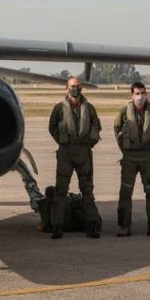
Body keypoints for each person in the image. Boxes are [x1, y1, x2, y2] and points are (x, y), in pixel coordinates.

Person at [48, 76, 102, 238]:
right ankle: (57, 226)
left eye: (78, 86)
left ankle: (91, 225)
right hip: (65, 152)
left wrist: (90, 143)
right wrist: (62, 142)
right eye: (72, 86)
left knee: (87, 191)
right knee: (61, 191)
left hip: (84, 151)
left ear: (81, 89)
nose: (75, 89)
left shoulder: (90, 108)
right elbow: (52, 127)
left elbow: (96, 126)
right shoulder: (59, 108)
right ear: (67, 88)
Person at [113, 81, 150, 237]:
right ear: (132, 95)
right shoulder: (123, 112)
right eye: (137, 93)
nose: (140, 96)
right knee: (125, 192)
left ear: (146, 94)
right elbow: (117, 130)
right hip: (130, 157)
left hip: (148, 156)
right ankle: (124, 226)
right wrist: (125, 150)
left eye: (142, 93)